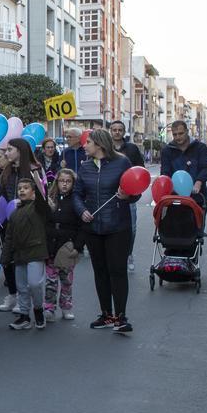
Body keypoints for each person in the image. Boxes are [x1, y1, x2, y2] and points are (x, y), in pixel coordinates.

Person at [75, 128, 139, 334]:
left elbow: (135, 191)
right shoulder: (85, 166)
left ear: (100, 145)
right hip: (93, 228)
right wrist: (82, 210)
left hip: (118, 227)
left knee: (117, 271)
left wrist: (126, 196)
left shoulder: (122, 163)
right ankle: (106, 314)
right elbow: (77, 194)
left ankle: (121, 316)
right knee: (100, 272)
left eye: (88, 142)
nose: (84, 145)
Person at [0, 137, 45, 313]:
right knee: (7, 259)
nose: (6, 153)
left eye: (10, 150)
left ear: (20, 151)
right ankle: (12, 294)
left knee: (22, 261)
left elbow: (41, 197)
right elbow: (1, 194)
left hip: (27, 222)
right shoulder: (5, 170)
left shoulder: (34, 170)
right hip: (7, 223)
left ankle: (24, 300)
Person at [0, 177, 51, 330]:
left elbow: (43, 199)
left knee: (35, 284)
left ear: (33, 192)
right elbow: (8, 237)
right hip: (19, 255)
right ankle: (24, 316)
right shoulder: (14, 213)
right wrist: (5, 256)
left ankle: (38, 310)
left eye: (26, 188)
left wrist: (36, 177)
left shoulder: (38, 207)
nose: (22, 190)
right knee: (21, 287)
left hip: (36, 251)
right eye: (20, 188)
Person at [43, 168, 82, 321]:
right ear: (57, 182)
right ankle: (49, 307)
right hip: (52, 243)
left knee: (66, 280)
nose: (64, 184)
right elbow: (44, 221)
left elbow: (81, 227)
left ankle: (66, 306)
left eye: (68, 181)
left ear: (73, 183)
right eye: (61, 181)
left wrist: (77, 247)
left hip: (67, 245)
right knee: (50, 280)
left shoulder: (76, 201)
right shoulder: (51, 198)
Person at [109, 120, 145, 271]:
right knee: (110, 227)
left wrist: (135, 190)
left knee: (132, 228)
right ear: (110, 131)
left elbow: (140, 169)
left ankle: (129, 254)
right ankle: (113, 256)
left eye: (120, 130)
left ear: (124, 132)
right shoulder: (105, 148)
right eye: (114, 129)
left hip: (128, 195)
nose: (117, 132)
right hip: (109, 195)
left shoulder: (132, 149)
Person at [160, 120, 207, 211]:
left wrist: (198, 182)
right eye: (175, 134)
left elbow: (206, 167)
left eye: (181, 133)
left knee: (197, 224)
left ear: (187, 132)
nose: (178, 137)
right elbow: (165, 172)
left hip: (197, 197)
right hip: (174, 198)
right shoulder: (167, 150)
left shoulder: (200, 148)